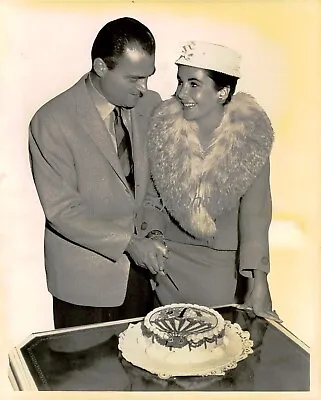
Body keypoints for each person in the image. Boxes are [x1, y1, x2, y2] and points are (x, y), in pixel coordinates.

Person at [29, 17, 167, 329]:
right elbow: (62, 211)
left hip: (141, 279)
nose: (144, 88)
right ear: (101, 67)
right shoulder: (51, 121)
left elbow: (157, 187)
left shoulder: (151, 105)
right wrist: (130, 243)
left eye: (148, 77)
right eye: (133, 79)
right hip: (83, 288)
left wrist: (154, 235)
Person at [142, 41, 281, 322]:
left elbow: (256, 217)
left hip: (222, 273)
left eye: (194, 84)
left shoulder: (251, 139)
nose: (181, 93)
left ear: (223, 92)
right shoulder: (162, 129)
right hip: (167, 268)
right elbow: (151, 198)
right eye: (180, 81)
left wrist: (259, 281)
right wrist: (154, 238)